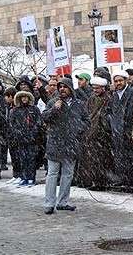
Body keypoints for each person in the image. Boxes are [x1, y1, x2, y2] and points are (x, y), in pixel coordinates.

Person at [42, 78, 90, 215]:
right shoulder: (52, 102)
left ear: (70, 88)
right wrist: (54, 109)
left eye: (65, 86)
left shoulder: (79, 104)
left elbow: (87, 121)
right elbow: (44, 117)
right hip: (55, 144)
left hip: (71, 144)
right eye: (60, 87)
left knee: (68, 174)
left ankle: (62, 202)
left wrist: (77, 129)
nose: (62, 89)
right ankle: (49, 203)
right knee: (52, 174)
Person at [76, 77, 112, 190]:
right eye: (94, 88)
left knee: (102, 160)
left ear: (103, 88)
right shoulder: (91, 99)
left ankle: (101, 183)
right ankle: (93, 181)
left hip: (102, 134)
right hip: (91, 133)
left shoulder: (108, 98)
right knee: (92, 160)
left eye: (97, 88)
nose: (95, 90)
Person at [109, 70, 133, 190]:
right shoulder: (114, 95)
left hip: (128, 130)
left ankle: (130, 181)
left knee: (130, 157)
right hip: (117, 131)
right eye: (116, 81)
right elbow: (110, 111)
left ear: (125, 80)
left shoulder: (132, 92)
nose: (118, 83)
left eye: (120, 80)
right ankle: (121, 178)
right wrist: (112, 122)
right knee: (119, 156)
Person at [9, 90, 42, 187]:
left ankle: (31, 178)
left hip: (32, 139)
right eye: (22, 97)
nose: (24, 99)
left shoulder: (34, 109)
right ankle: (24, 177)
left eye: (26, 97)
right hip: (20, 139)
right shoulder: (15, 110)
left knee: (31, 159)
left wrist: (33, 133)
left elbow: (38, 122)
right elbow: (12, 124)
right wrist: (18, 133)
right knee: (22, 159)